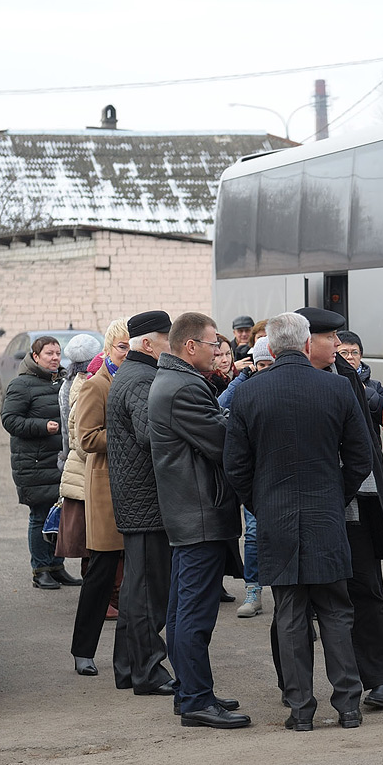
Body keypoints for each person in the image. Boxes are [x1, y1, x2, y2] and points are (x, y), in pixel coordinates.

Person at [224, 311, 370, 731]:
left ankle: (301, 709)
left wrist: (261, 503)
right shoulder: (337, 387)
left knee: (289, 615)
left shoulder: (249, 394)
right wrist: (333, 495)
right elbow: (361, 457)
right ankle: (348, 706)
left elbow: (236, 465)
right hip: (326, 516)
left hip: (276, 517)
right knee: (337, 612)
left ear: (269, 347)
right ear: (308, 345)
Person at [149, 312, 249, 729]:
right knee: (193, 612)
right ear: (190, 346)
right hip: (199, 514)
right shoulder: (183, 387)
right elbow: (221, 441)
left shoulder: (177, 381)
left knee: (183, 608)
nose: (219, 351)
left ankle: (195, 691)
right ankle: (193, 700)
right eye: (213, 344)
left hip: (192, 511)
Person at [296, 309, 383, 711]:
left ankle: (380, 680)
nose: (339, 345)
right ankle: (299, 693)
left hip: (356, 501)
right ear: (307, 341)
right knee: (300, 603)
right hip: (305, 510)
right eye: (330, 337)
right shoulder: (276, 377)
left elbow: (364, 445)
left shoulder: (346, 375)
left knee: (367, 592)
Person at [106, 310, 176, 696]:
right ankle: (148, 671)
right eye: (167, 339)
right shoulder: (142, 378)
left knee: (137, 590)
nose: (173, 345)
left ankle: (128, 667)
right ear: (148, 344)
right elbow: (151, 434)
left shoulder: (133, 374)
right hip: (146, 503)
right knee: (148, 592)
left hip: (139, 501)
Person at [70, 319, 131, 680]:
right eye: (120, 347)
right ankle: (83, 650)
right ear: (107, 350)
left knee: (136, 578)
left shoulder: (137, 381)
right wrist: (125, 432)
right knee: (101, 573)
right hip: (105, 489)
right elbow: (86, 439)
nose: (125, 353)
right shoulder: (97, 385)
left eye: (129, 347)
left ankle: (134, 653)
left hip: (135, 489)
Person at [0, 335, 82, 590]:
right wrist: (42, 426)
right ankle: (40, 570)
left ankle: (57, 567)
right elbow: (9, 420)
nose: (55, 358)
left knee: (60, 513)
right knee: (39, 515)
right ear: (35, 357)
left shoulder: (63, 382)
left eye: (58, 353)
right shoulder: (21, 385)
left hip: (59, 461)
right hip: (34, 462)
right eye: (49, 353)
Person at [218, 335, 273, 619]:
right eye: (260, 364)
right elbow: (218, 405)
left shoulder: (280, 386)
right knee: (252, 535)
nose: (264, 368)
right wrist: (242, 378)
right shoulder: (244, 388)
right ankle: (253, 589)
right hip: (252, 475)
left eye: (269, 363)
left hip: (276, 473)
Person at [55, 333, 103, 577]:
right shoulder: (89, 383)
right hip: (85, 463)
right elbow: (76, 432)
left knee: (86, 533)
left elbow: (66, 430)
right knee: (93, 534)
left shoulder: (67, 383)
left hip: (74, 460)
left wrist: (64, 457)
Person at [337, 330, 383, 424]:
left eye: (355, 352)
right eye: (344, 353)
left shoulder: (375, 386)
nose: (350, 357)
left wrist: (365, 392)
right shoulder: (328, 381)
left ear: (361, 355)